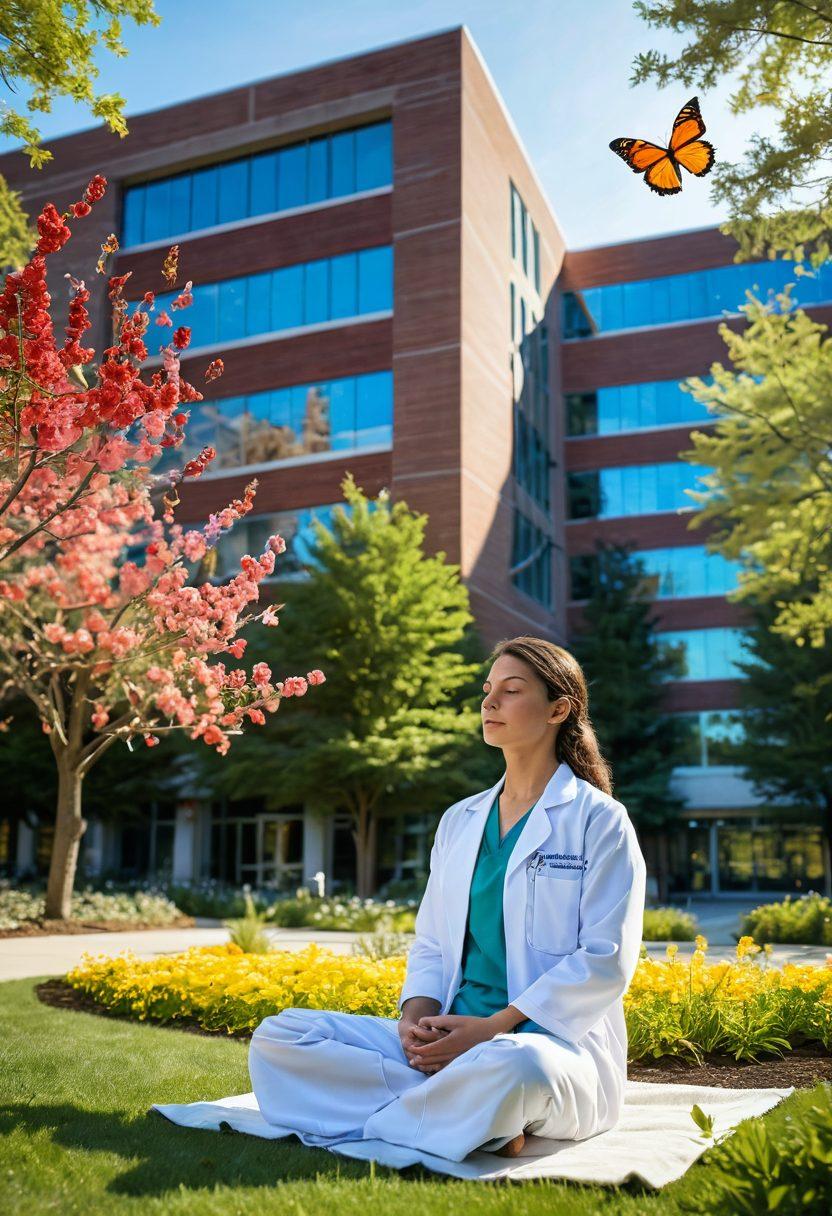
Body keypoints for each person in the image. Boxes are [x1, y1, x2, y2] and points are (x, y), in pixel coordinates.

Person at [247, 635, 647, 1162]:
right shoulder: (460, 821)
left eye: (510, 690)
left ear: (558, 709)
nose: (489, 702)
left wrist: (490, 1029)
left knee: (518, 1069)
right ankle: (473, 1119)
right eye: (487, 690)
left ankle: (444, 1111)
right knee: (282, 1036)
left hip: (541, 1044)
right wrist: (415, 1023)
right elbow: (433, 942)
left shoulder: (599, 820)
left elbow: (606, 961)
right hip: (446, 1042)